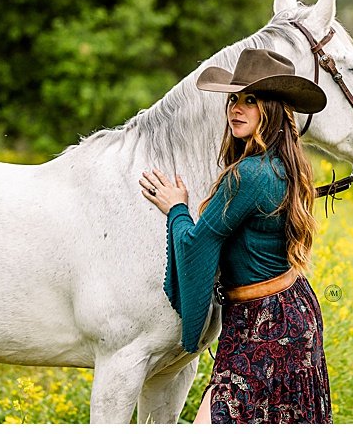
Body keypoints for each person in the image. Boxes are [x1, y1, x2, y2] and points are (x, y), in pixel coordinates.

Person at [139, 48, 332, 423]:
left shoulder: (247, 175)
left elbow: (197, 243)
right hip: (291, 313)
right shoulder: (285, 164)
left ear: (272, 109)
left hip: (265, 324)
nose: (236, 109)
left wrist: (176, 208)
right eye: (233, 99)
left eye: (250, 100)